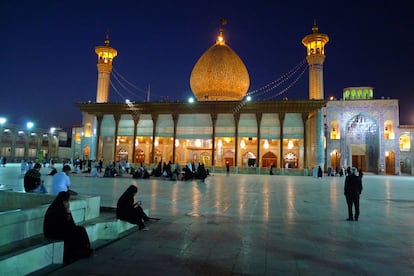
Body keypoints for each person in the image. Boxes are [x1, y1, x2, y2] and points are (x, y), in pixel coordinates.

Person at [43, 191, 93, 264]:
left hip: (59, 230)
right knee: (74, 233)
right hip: (52, 232)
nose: (68, 203)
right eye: (66, 201)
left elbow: (71, 224)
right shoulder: (56, 209)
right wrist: (67, 212)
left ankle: (85, 248)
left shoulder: (60, 207)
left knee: (80, 229)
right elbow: (68, 224)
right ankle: (80, 252)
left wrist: (68, 211)